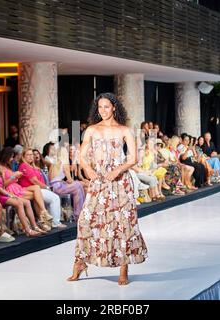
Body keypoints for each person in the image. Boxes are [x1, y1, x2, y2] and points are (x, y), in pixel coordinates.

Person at [67, 92, 148, 286]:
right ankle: (80, 262)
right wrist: (87, 170)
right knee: (86, 220)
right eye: (100, 107)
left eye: (106, 106)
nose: (102, 110)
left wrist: (118, 170)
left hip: (121, 182)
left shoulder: (124, 130)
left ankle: (123, 267)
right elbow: (82, 156)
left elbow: (133, 158)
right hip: (98, 180)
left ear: (114, 107)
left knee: (123, 223)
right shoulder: (92, 130)